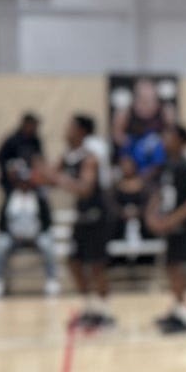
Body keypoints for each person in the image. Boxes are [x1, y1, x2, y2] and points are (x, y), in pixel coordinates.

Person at [46, 113, 115, 328]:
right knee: (74, 262)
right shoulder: (69, 155)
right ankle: (88, 307)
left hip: (97, 215)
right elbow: (49, 178)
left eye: (70, 127)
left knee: (96, 265)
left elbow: (85, 189)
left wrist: (57, 178)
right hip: (82, 216)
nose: (66, 130)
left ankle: (104, 311)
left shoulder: (90, 158)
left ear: (81, 131)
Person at [147, 124, 186, 334]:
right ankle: (177, 308)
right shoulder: (168, 166)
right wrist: (153, 215)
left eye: (169, 136)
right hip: (169, 223)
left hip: (181, 225)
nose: (165, 140)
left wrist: (173, 219)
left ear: (180, 140)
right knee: (170, 265)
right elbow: (161, 194)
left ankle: (184, 314)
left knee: (178, 266)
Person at [0, 174, 61, 297]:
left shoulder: (38, 198)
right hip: (13, 237)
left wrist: (36, 233)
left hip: (36, 236)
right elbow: (1, 222)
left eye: (26, 182)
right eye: (21, 182)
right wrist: (11, 233)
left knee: (48, 246)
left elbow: (47, 221)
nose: (24, 185)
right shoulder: (10, 198)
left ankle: (52, 280)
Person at [0, 112, 45, 190]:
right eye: (33, 125)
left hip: (31, 181)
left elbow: (40, 159)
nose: (34, 129)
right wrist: (10, 169)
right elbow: (0, 158)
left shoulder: (35, 141)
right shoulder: (12, 140)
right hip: (12, 182)